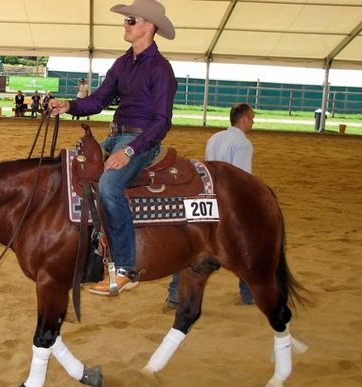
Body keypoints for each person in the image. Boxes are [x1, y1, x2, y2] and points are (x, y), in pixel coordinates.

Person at [49, 0, 177, 296]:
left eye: (131, 20)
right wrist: (68, 105)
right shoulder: (122, 63)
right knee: (68, 171)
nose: (125, 24)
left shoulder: (161, 69)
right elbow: (98, 101)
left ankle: (125, 268)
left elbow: (161, 122)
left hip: (141, 140)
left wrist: (130, 151)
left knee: (108, 186)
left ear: (148, 25)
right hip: (113, 136)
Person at [165, 103, 256, 309]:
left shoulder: (214, 137)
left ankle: (174, 295)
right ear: (243, 119)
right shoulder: (243, 144)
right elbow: (242, 179)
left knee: (193, 247)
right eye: (251, 118)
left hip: (207, 198)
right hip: (227, 201)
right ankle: (249, 294)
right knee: (245, 245)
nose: (252, 121)